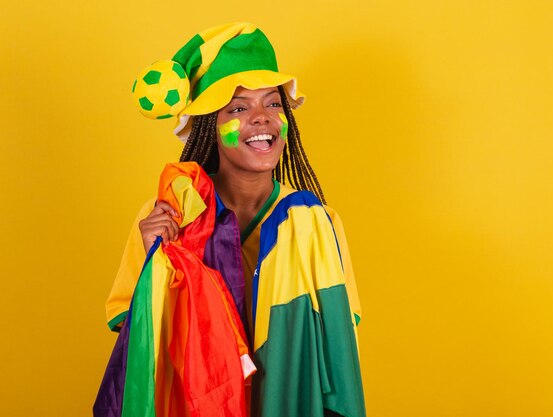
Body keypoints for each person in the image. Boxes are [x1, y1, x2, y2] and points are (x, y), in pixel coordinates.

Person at [96, 22, 365, 417]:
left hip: (283, 402)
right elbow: (134, 335)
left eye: (273, 103)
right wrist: (154, 257)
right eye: (239, 108)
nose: (262, 118)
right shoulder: (169, 214)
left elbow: (338, 339)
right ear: (209, 125)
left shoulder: (316, 224)